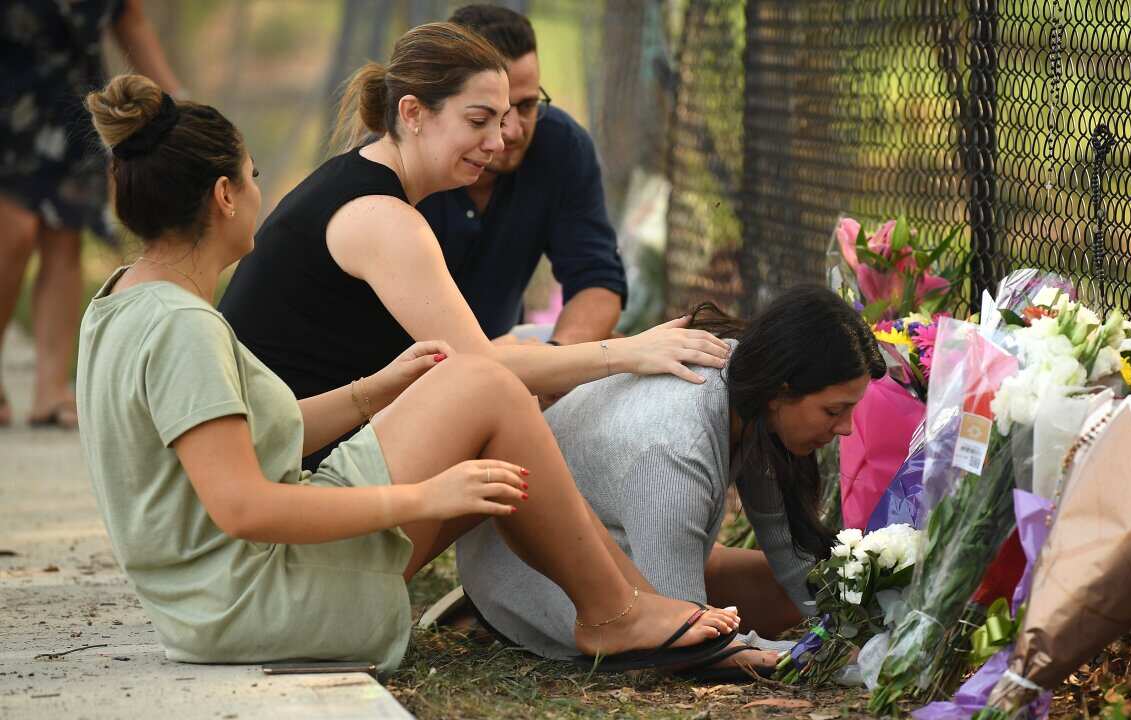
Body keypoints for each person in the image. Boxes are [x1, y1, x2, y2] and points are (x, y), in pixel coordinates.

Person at [76, 73, 743, 675]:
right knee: (485, 385)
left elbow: (241, 439)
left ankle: (626, 605)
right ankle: (617, 612)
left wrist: (377, 390)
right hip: (257, 601)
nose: (259, 192)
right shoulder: (182, 328)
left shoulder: (122, 306)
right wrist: (423, 498)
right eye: (251, 177)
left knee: (475, 388)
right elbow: (244, 505)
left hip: (216, 602)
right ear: (224, 195)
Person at [217, 22, 727, 470]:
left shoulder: (368, 181)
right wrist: (630, 352)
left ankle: (605, 575)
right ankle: (610, 581)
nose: (500, 141)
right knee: (498, 401)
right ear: (413, 113)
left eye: (505, 118)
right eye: (479, 121)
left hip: (290, 444)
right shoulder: (384, 218)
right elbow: (481, 366)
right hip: (287, 468)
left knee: (514, 371)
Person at [458, 285, 887, 679]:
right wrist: (820, 660)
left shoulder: (743, 377)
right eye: (834, 411)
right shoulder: (675, 449)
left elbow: (789, 552)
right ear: (782, 389)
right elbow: (684, 639)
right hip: (524, 583)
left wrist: (859, 629)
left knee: (794, 590)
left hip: (591, 545)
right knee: (705, 634)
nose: (847, 428)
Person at [0, 0, 181, 428]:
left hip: (72, 98)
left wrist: (175, 98)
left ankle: (50, 388)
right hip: (8, 96)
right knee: (14, 235)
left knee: (65, 233)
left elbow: (128, 19)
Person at [417, 4, 625, 343]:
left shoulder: (562, 145)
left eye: (527, 106)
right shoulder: (399, 163)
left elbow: (596, 278)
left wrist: (554, 362)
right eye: (487, 114)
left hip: (502, 364)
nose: (511, 131)